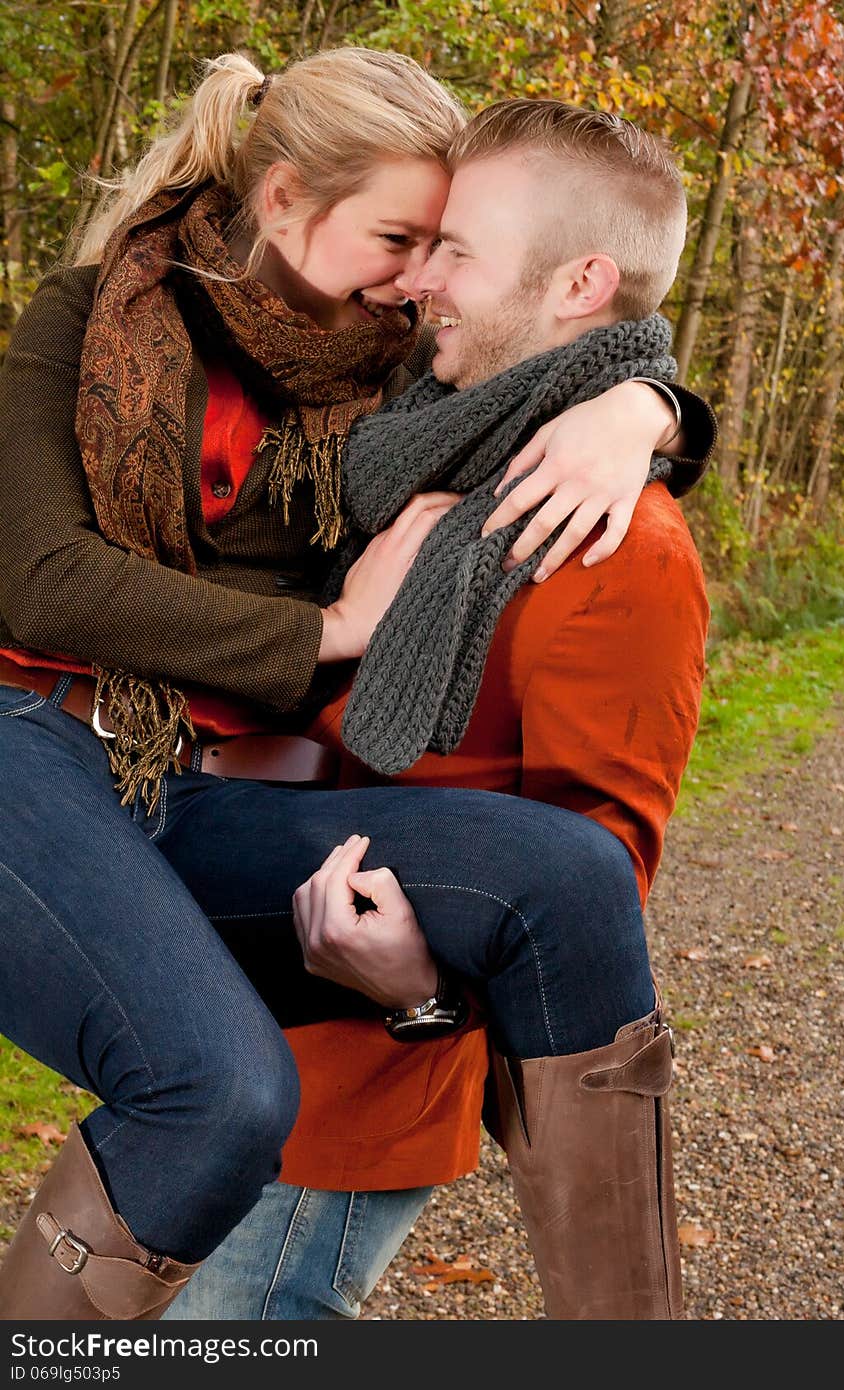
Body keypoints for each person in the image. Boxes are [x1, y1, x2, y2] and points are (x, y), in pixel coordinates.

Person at [0, 41, 710, 1320]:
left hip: (203, 819)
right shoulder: (101, 320)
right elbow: (43, 578)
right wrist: (329, 631)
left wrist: (649, 407)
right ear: (284, 203)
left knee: (573, 877)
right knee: (223, 1091)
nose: (420, 280)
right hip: (43, 742)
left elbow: (566, 349)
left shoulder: (402, 387)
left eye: (444, 244)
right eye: (402, 238)